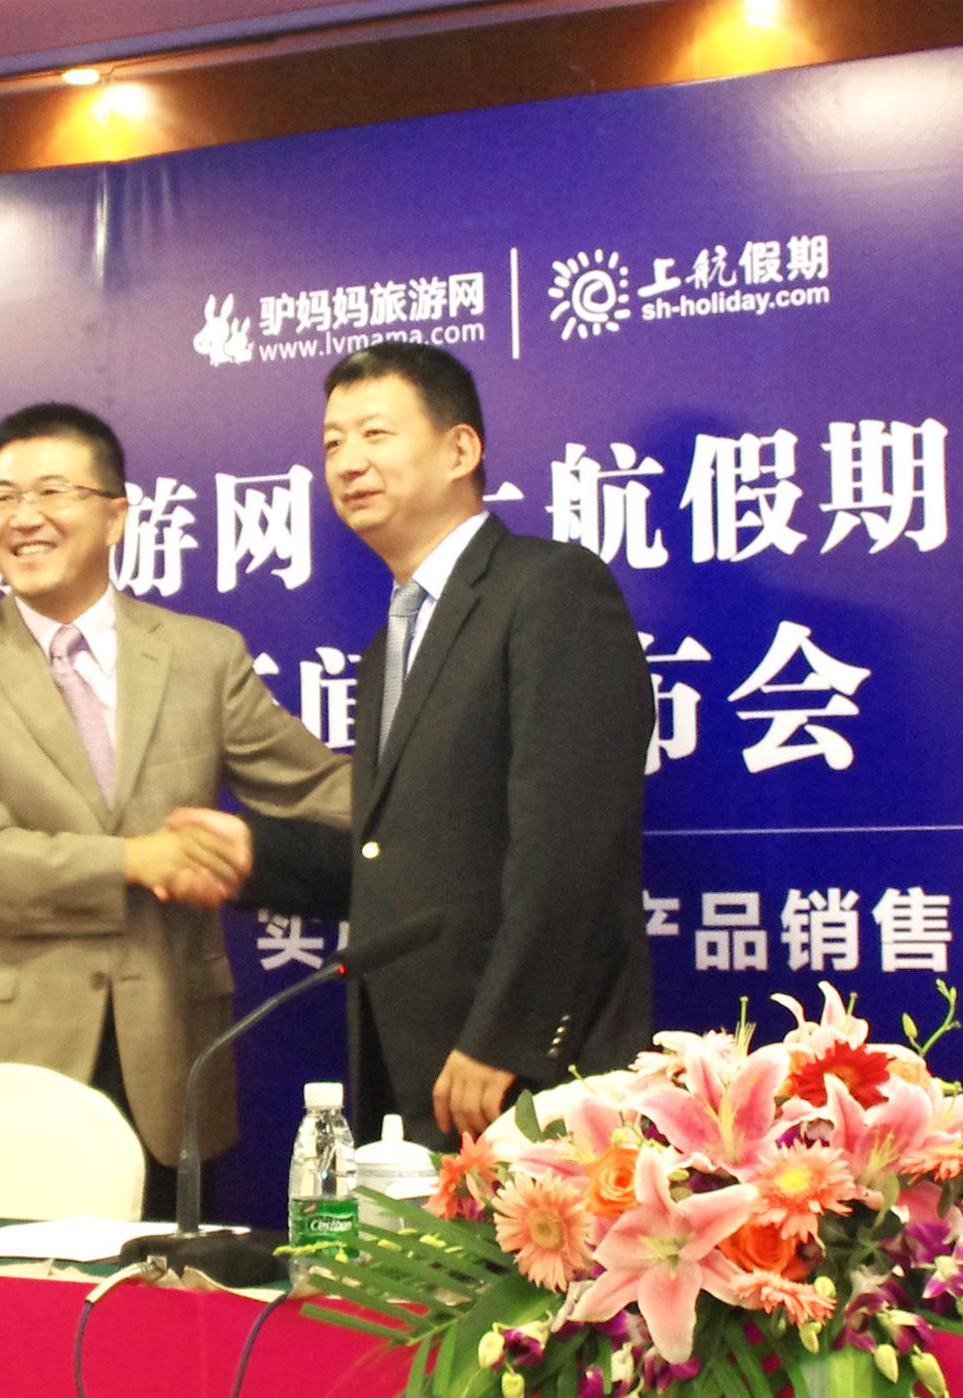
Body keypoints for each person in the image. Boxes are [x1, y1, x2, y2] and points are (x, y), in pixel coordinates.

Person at [181, 343, 654, 1147]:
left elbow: (571, 841)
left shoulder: (548, 589)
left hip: (522, 1071)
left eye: (375, 434)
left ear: (460, 450)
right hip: (407, 1065)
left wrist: (505, 1034)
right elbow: (402, 858)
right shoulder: (388, 647)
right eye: (333, 443)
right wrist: (256, 858)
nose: (347, 463)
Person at [0, 402, 349, 1216]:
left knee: (160, 1282)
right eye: (1, 498)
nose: (22, 517)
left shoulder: (202, 655)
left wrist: (447, 811)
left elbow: (320, 791)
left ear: (116, 516)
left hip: (166, 1051)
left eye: (52, 491)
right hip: (5, 1057)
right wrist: (136, 860)